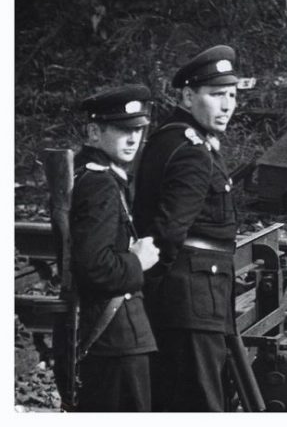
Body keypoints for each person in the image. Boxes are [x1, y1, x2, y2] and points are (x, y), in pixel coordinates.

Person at [133, 45, 240, 411]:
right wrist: (162, 290)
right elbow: (168, 233)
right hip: (191, 298)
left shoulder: (173, 138)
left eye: (232, 95)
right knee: (201, 403)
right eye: (215, 95)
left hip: (190, 297)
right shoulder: (192, 149)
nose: (226, 106)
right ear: (188, 96)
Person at [71, 84, 160, 411]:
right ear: (95, 132)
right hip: (117, 338)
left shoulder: (100, 176)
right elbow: (94, 266)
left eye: (138, 129)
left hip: (115, 334)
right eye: (123, 129)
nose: (133, 138)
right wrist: (138, 261)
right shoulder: (100, 185)